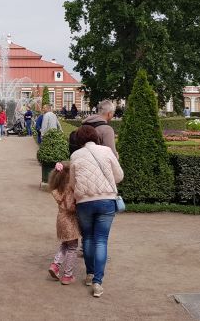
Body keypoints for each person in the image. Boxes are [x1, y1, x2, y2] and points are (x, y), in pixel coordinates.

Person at [70, 125, 124, 298]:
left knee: (88, 238)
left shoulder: (75, 155)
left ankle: (89, 274)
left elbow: (72, 184)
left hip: (84, 202)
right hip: (106, 200)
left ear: (79, 139)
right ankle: (98, 283)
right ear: (96, 136)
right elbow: (119, 176)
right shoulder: (106, 150)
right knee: (101, 241)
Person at [47, 161, 80, 285]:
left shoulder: (57, 190)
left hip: (60, 219)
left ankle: (55, 265)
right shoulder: (69, 190)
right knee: (72, 246)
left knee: (65, 244)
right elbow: (71, 207)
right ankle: (68, 275)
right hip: (69, 221)